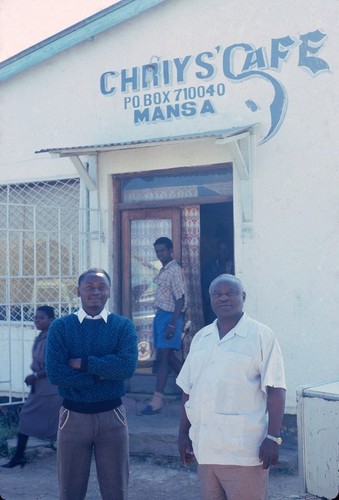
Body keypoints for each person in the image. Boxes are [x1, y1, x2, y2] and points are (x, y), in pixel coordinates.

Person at [177, 274, 286, 500]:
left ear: (243, 297)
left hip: (244, 450)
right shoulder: (201, 337)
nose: (223, 298)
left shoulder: (261, 335)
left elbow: (276, 389)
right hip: (206, 447)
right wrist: (183, 434)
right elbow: (188, 389)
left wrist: (273, 438)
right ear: (210, 299)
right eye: (217, 294)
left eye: (230, 293)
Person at [45, 268, 138, 500]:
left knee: (116, 491)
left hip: (112, 417)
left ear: (109, 292)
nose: (95, 292)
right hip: (73, 417)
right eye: (89, 287)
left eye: (101, 287)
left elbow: (127, 368)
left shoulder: (123, 326)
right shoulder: (61, 327)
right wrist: (103, 373)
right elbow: (56, 374)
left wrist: (83, 363)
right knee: (70, 491)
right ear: (78, 291)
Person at [2, 305, 61, 469]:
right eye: (35, 317)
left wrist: (35, 376)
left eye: (41, 318)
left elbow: (54, 365)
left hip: (51, 389)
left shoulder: (52, 338)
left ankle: (73, 457)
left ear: (51, 319)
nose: (36, 320)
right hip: (41, 388)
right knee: (28, 419)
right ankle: (19, 456)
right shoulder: (42, 336)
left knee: (59, 425)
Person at [138, 237, 186, 415]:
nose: (160, 254)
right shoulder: (163, 270)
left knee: (163, 358)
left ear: (171, 250)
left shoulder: (175, 270)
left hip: (170, 317)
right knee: (170, 356)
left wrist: (173, 324)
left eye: (163, 251)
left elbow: (180, 299)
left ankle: (157, 400)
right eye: (157, 251)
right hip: (161, 316)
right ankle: (193, 389)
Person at [201, 238, 235, 325]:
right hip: (213, 309)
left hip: (231, 307)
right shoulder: (209, 268)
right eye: (221, 249)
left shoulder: (235, 267)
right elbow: (205, 288)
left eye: (225, 249)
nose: (223, 252)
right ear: (217, 251)